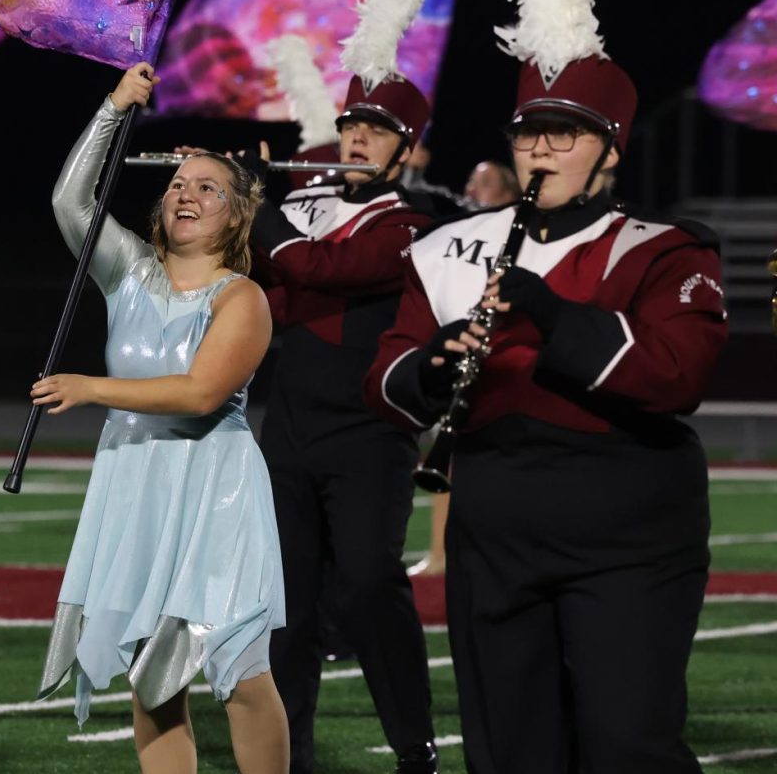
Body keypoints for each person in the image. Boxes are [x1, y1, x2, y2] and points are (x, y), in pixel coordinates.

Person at [366, 53, 728, 772]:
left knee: (627, 745)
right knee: (509, 752)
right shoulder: (446, 251)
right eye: (531, 133)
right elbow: (385, 375)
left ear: (612, 149)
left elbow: (677, 373)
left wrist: (550, 311)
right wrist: (433, 367)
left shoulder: (664, 249)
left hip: (629, 531)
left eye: (568, 133)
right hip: (496, 531)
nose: (542, 149)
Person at [34, 63, 289, 774]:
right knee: (153, 675)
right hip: (135, 476)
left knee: (238, 668)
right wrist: (115, 106)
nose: (187, 192)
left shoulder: (242, 298)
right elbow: (70, 199)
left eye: (208, 186)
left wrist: (93, 386)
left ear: (236, 213)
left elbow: (203, 392)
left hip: (215, 485)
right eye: (179, 182)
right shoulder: (128, 272)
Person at [239, 69, 439, 774]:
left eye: (377, 129)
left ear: (406, 149)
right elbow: (268, 279)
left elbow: (323, 268)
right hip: (289, 422)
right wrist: (224, 199)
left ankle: (415, 748)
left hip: (367, 430)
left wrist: (258, 203)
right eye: (352, 123)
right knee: (286, 604)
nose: (357, 136)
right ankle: (291, 758)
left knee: (366, 584)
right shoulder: (309, 202)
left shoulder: (412, 223)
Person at [409, 158, 521, 578]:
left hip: (507, 365)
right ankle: (440, 553)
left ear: (510, 194)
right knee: (450, 457)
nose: (473, 191)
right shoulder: (461, 230)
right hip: (463, 357)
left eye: (486, 183)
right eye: (471, 181)